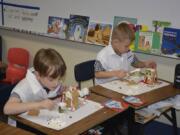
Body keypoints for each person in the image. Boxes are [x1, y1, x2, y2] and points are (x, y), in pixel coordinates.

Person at [3, 48, 67, 115]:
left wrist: (62, 90)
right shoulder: (24, 86)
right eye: (51, 80)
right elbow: (7, 109)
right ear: (38, 74)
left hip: (37, 118)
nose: (56, 83)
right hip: (20, 122)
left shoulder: (48, 81)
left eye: (59, 79)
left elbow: (55, 91)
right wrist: (39, 104)